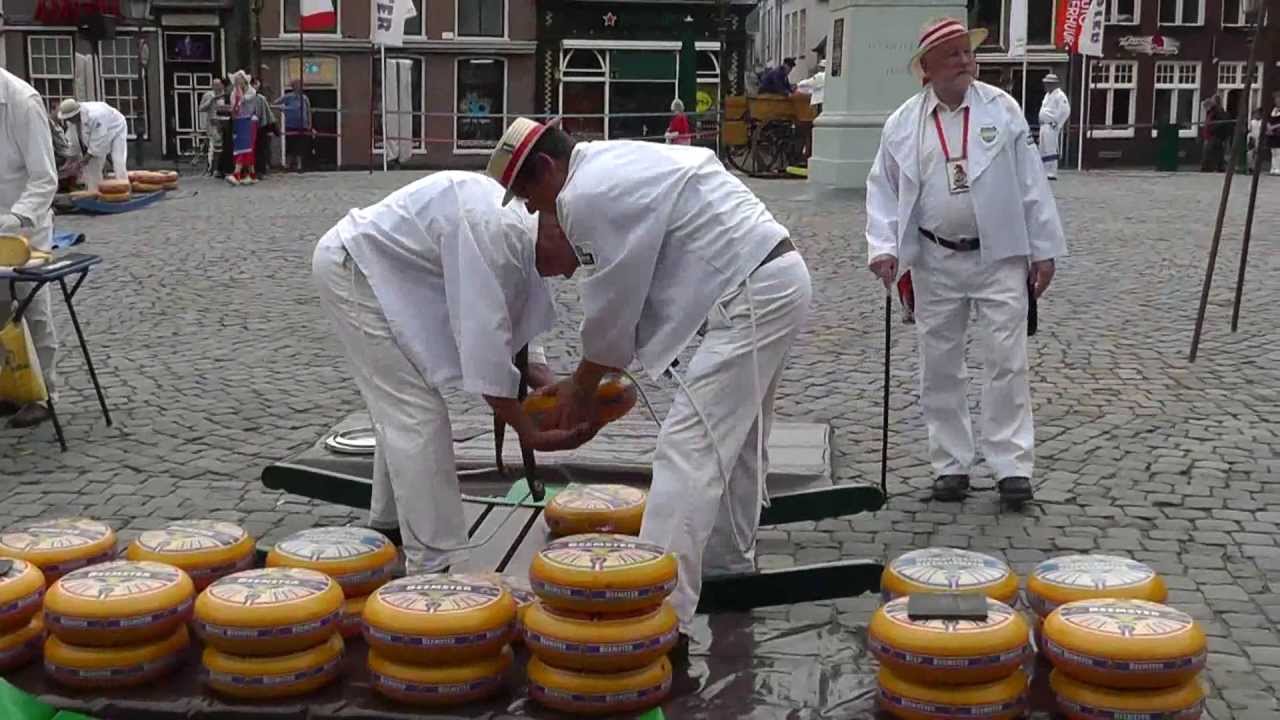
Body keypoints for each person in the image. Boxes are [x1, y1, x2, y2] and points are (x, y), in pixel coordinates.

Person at [486, 117, 812, 636]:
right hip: (770, 277)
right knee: (740, 440)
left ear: (546, 167)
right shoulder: (609, 165)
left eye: (525, 193)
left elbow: (612, 310)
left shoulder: (583, 195)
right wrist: (594, 375)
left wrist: (583, 386)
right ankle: (728, 561)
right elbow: (634, 289)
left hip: (752, 290)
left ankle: (657, 610)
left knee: (688, 448)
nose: (529, 208)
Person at [311, 171, 592, 573]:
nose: (570, 274)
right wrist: (525, 427)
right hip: (354, 269)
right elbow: (486, 350)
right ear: (557, 231)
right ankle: (435, 565)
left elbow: (514, 325)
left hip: (386, 273)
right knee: (415, 412)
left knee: (402, 410)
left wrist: (554, 390)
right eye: (576, 259)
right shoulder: (497, 231)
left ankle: (388, 524)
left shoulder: (521, 228)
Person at [865, 17, 1067, 506]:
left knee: (1006, 361)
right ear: (926, 68)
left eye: (967, 52)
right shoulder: (902, 124)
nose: (964, 60)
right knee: (939, 366)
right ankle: (950, 464)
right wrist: (884, 248)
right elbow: (883, 191)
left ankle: (1010, 466)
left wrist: (1043, 248)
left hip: (998, 254)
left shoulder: (1003, 108)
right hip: (934, 259)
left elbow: (1030, 183)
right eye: (952, 53)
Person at [0, 67, 59, 429]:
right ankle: (8, 388)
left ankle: (43, 394)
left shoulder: (22, 102)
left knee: (32, 310)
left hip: (25, 228)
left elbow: (44, 178)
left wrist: (17, 217)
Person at [55, 98, 128, 192]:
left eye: (69, 118)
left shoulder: (95, 115)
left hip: (116, 127)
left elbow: (98, 140)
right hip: (100, 133)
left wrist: (83, 161)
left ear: (75, 114)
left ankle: (123, 189)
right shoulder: (73, 121)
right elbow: (73, 141)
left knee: (118, 161)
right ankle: (95, 192)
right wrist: (70, 160)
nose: (67, 120)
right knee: (92, 166)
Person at [227, 71, 260, 185]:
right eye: (236, 80)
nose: (237, 82)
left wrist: (238, 94)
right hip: (239, 121)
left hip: (250, 121)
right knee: (242, 148)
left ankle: (237, 173)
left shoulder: (251, 92)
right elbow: (234, 108)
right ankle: (251, 174)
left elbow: (243, 101)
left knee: (246, 147)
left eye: (239, 79)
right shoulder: (234, 93)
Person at [1037, 73, 1070, 180]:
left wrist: (1058, 124)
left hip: (1051, 126)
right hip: (1043, 125)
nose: (1046, 86)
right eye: (1045, 83)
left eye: (1048, 84)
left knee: (1050, 149)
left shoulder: (1060, 96)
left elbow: (1065, 111)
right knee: (1043, 148)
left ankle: (1051, 172)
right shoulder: (1047, 95)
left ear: (1054, 84)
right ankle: (1044, 170)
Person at [276, 79, 314, 172]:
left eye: (300, 85)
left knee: (300, 146)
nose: (299, 87)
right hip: (291, 125)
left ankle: (299, 166)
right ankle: (288, 165)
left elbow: (308, 111)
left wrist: (310, 124)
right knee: (290, 145)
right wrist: (284, 109)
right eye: (297, 85)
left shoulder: (304, 98)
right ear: (293, 87)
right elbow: (275, 103)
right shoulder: (288, 97)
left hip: (302, 125)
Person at [199, 78, 229, 176]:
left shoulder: (226, 95)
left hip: (225, 124)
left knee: (224, 146)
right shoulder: (208, 95)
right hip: (213, 124)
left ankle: (222, 168)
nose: (216, 87)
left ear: (222, 85)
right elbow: (201, 108)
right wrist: (211, 101)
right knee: (213, 146)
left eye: (218, 84)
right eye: (214, 85)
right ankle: (211, 169)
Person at [1200, 95, 1231, 173]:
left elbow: (1222, 122)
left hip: (1214, 136)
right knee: (1215, 152)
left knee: (1210, 152)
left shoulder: (1218, 111)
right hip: (1211, 136)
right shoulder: (1212, 111)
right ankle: (1216, 167)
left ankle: (1208, 168)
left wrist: (1212, 129)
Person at [1267, 90, 1280, 176]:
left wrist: (1273, 127)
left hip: (1278, 132)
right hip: (1271, 133)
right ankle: (1273, 168)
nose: (1276, 101)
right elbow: (1268, 119)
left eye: (1278, 99)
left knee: (1279, 151)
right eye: (1275, 99)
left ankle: (1278, 168)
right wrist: (1268, 127)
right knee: (1273, 151)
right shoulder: (1273, 109)